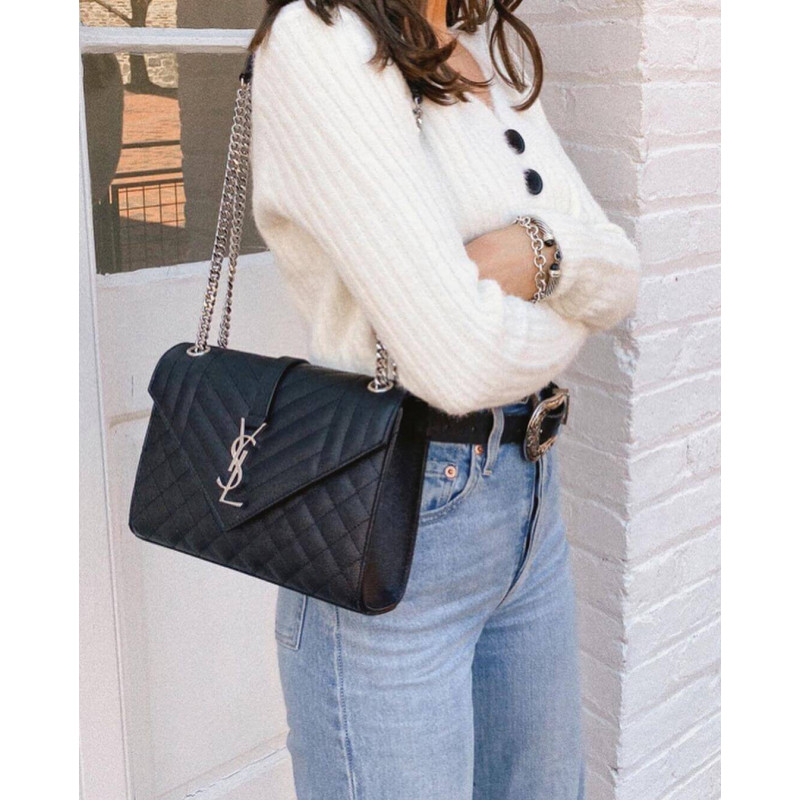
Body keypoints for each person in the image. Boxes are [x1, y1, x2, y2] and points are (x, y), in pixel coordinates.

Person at [249, 1, 640, 798]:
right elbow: (458, 361)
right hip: (392, 518)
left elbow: (621, 274)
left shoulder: (477, 45)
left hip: (529, 504)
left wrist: (538, 251)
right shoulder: (321, 39)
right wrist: (569, 306)